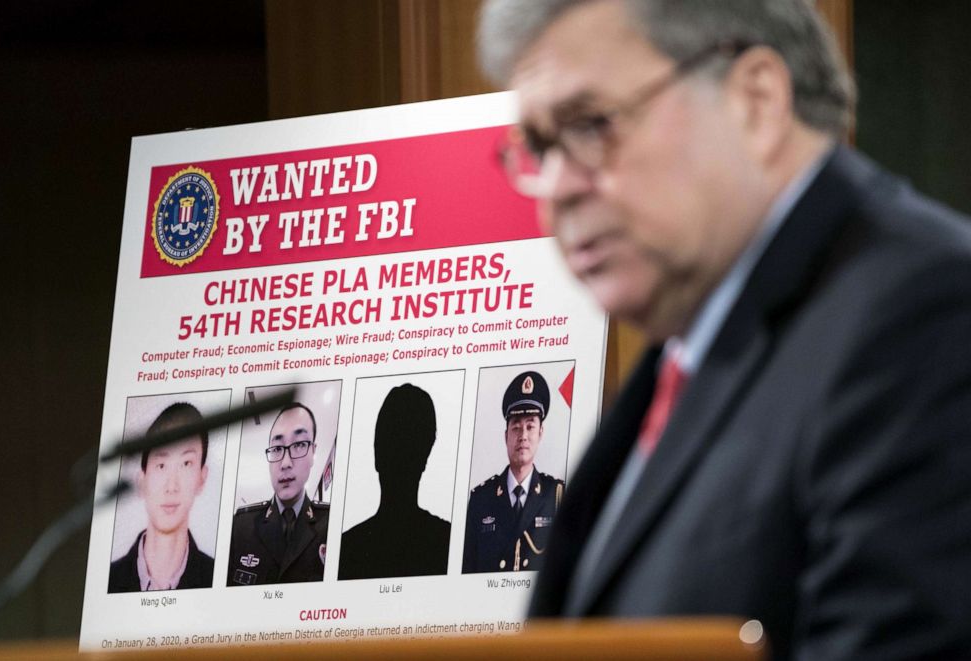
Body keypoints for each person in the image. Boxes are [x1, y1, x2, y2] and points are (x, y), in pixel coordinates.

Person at [478, 1, 971, 659]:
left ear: (756, 100)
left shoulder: (924, 314)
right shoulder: (688, 346)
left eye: (592, 124)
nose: (557, 187)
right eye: (540, 147)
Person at [339, 383, 450, 580]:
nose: (400, 456)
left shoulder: (346, 550)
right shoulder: (447, 541)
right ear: (424, 458)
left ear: (376, 454)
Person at [463, 371, 564, 573]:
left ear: (540, 433)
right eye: (516, 427)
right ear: (506, 435)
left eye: (530, 427)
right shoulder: (480, 499)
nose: (523, 436)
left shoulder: (556, 496)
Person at [109, 402, 214, 592]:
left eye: (186, 463)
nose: (171, 486)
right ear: (142, 480)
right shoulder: (110, 580)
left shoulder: (215, 576)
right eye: (161, 465)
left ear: (202, 478)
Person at [227, 402, 329, 586]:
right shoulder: (241, 526)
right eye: (277, 449)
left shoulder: (330, 524)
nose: (285, 463)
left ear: (313, 452)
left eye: (299, 445)